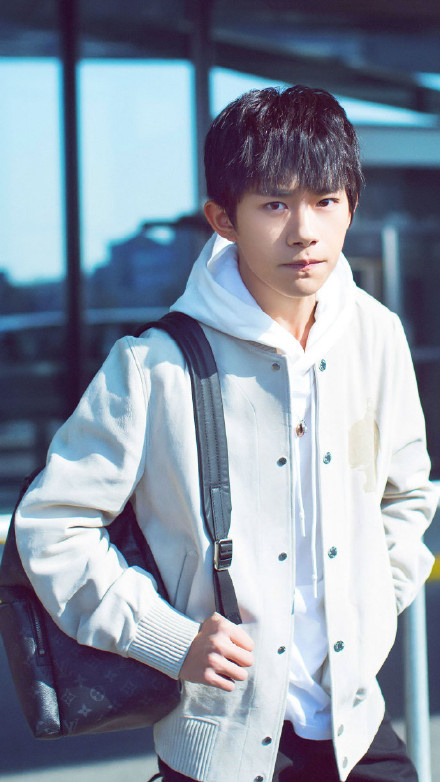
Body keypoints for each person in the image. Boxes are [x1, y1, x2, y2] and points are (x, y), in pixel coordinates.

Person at [15, 86, 436, 782]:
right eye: (274, 204)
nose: (304, 230)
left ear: (351, 207)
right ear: (223, 219)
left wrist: (372, 609)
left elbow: (406, 493)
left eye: (326, 200)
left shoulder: (377, 336)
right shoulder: (154, 365)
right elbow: (51, 527)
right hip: (221, 744)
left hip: (357, 731)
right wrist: (168, 639)